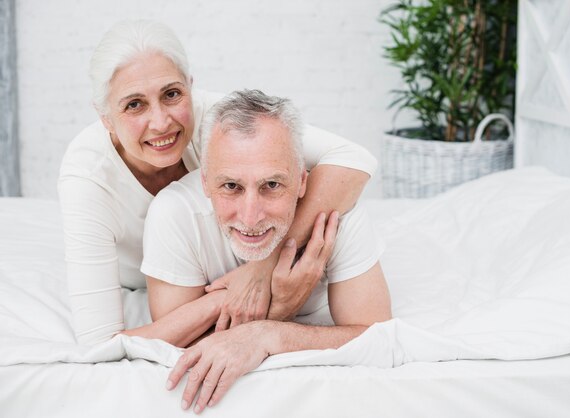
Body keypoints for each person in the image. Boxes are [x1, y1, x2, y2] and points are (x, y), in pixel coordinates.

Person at [57, 20, 378, 346]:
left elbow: (354, 159)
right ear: (105, 117)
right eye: (134, 104)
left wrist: (264, 266)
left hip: (219, 271)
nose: (161, 122)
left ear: (190, 88)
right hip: (156, 286)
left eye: (172, 94)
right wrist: (236, 300)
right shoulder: (86, 178)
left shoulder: (217, 119)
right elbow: (99, 343)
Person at [141, 89, 392, 412]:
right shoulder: (175, 214)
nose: (250, 217)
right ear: (205, 183)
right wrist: (268, 304)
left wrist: (270, 334)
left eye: (272, 185)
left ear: (303, 182)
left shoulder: (335, 214)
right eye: (231, 186)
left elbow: (380, 340)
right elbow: (181, 352)